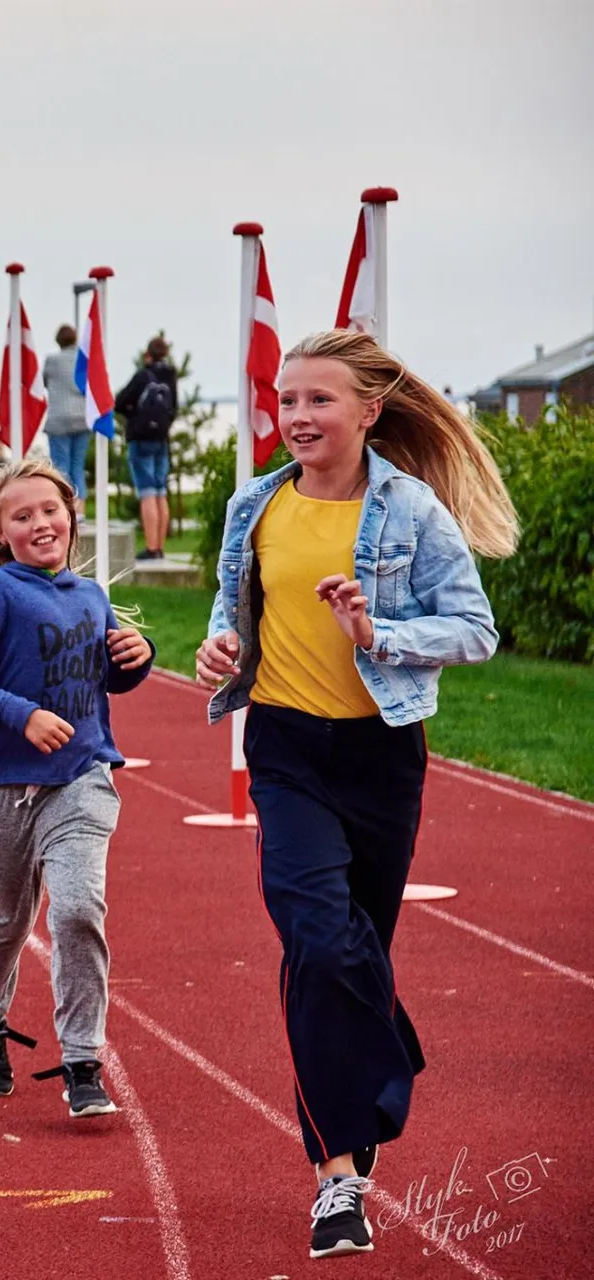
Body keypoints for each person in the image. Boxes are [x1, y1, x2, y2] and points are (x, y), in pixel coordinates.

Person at [195, 330, 517, 1261]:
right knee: (317, 939)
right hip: (286, 747)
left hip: (382, 757)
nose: (296, 416)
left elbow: (475, 631)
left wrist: (381, 630)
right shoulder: (253, 504)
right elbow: (232, 605)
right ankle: (339, 1184)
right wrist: (223, 648)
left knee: (353, 949)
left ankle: (379, 1052)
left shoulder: (410, 509)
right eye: (287, 400)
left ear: (369, 410)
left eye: (318, 401)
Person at [0, 456, 154, 1120]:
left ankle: (83, 1060)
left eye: (50, 510)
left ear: (72, 515)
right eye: (22, 515)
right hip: (1, 787)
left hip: (82, 779)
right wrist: (21, 715)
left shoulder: (90, 595)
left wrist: (135, 661)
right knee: (8, 914)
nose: (41, 523)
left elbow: (104, 681)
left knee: (77, 910)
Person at [113, 334, 178, 559]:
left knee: (147, 493)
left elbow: (119, 402)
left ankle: (151, 548)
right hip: (162, 439)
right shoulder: (170, 376)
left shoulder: (143, 376)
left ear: (147, 354)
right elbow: (174, 408)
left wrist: (134, 415)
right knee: (160, 492)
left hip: (140, 439)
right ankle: (160, 547)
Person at [42, 325, 89, 508]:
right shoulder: (84, 359)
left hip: (58, 420)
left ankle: (64, 507)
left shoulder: (52, 361)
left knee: (61, 467)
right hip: (82, 419)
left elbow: (44, 382)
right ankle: (80, 509)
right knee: (78, 466)